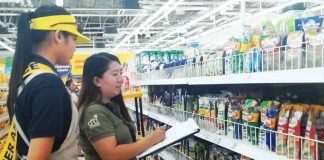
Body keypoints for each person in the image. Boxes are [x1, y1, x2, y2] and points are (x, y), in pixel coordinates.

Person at [6, 4, 90, 159]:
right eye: (74, 39)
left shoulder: (30, 74)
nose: (75, 48)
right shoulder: (47, 84)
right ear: (58, 36)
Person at [78, 52, 166, 160]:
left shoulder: (111, 106)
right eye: (115, 74)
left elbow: (126, 138)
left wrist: (148, 140)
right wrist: (151, 140)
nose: (120, 79)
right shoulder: (94, 112)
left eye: (121, 73)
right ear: (97, 81)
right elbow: (111, 155)